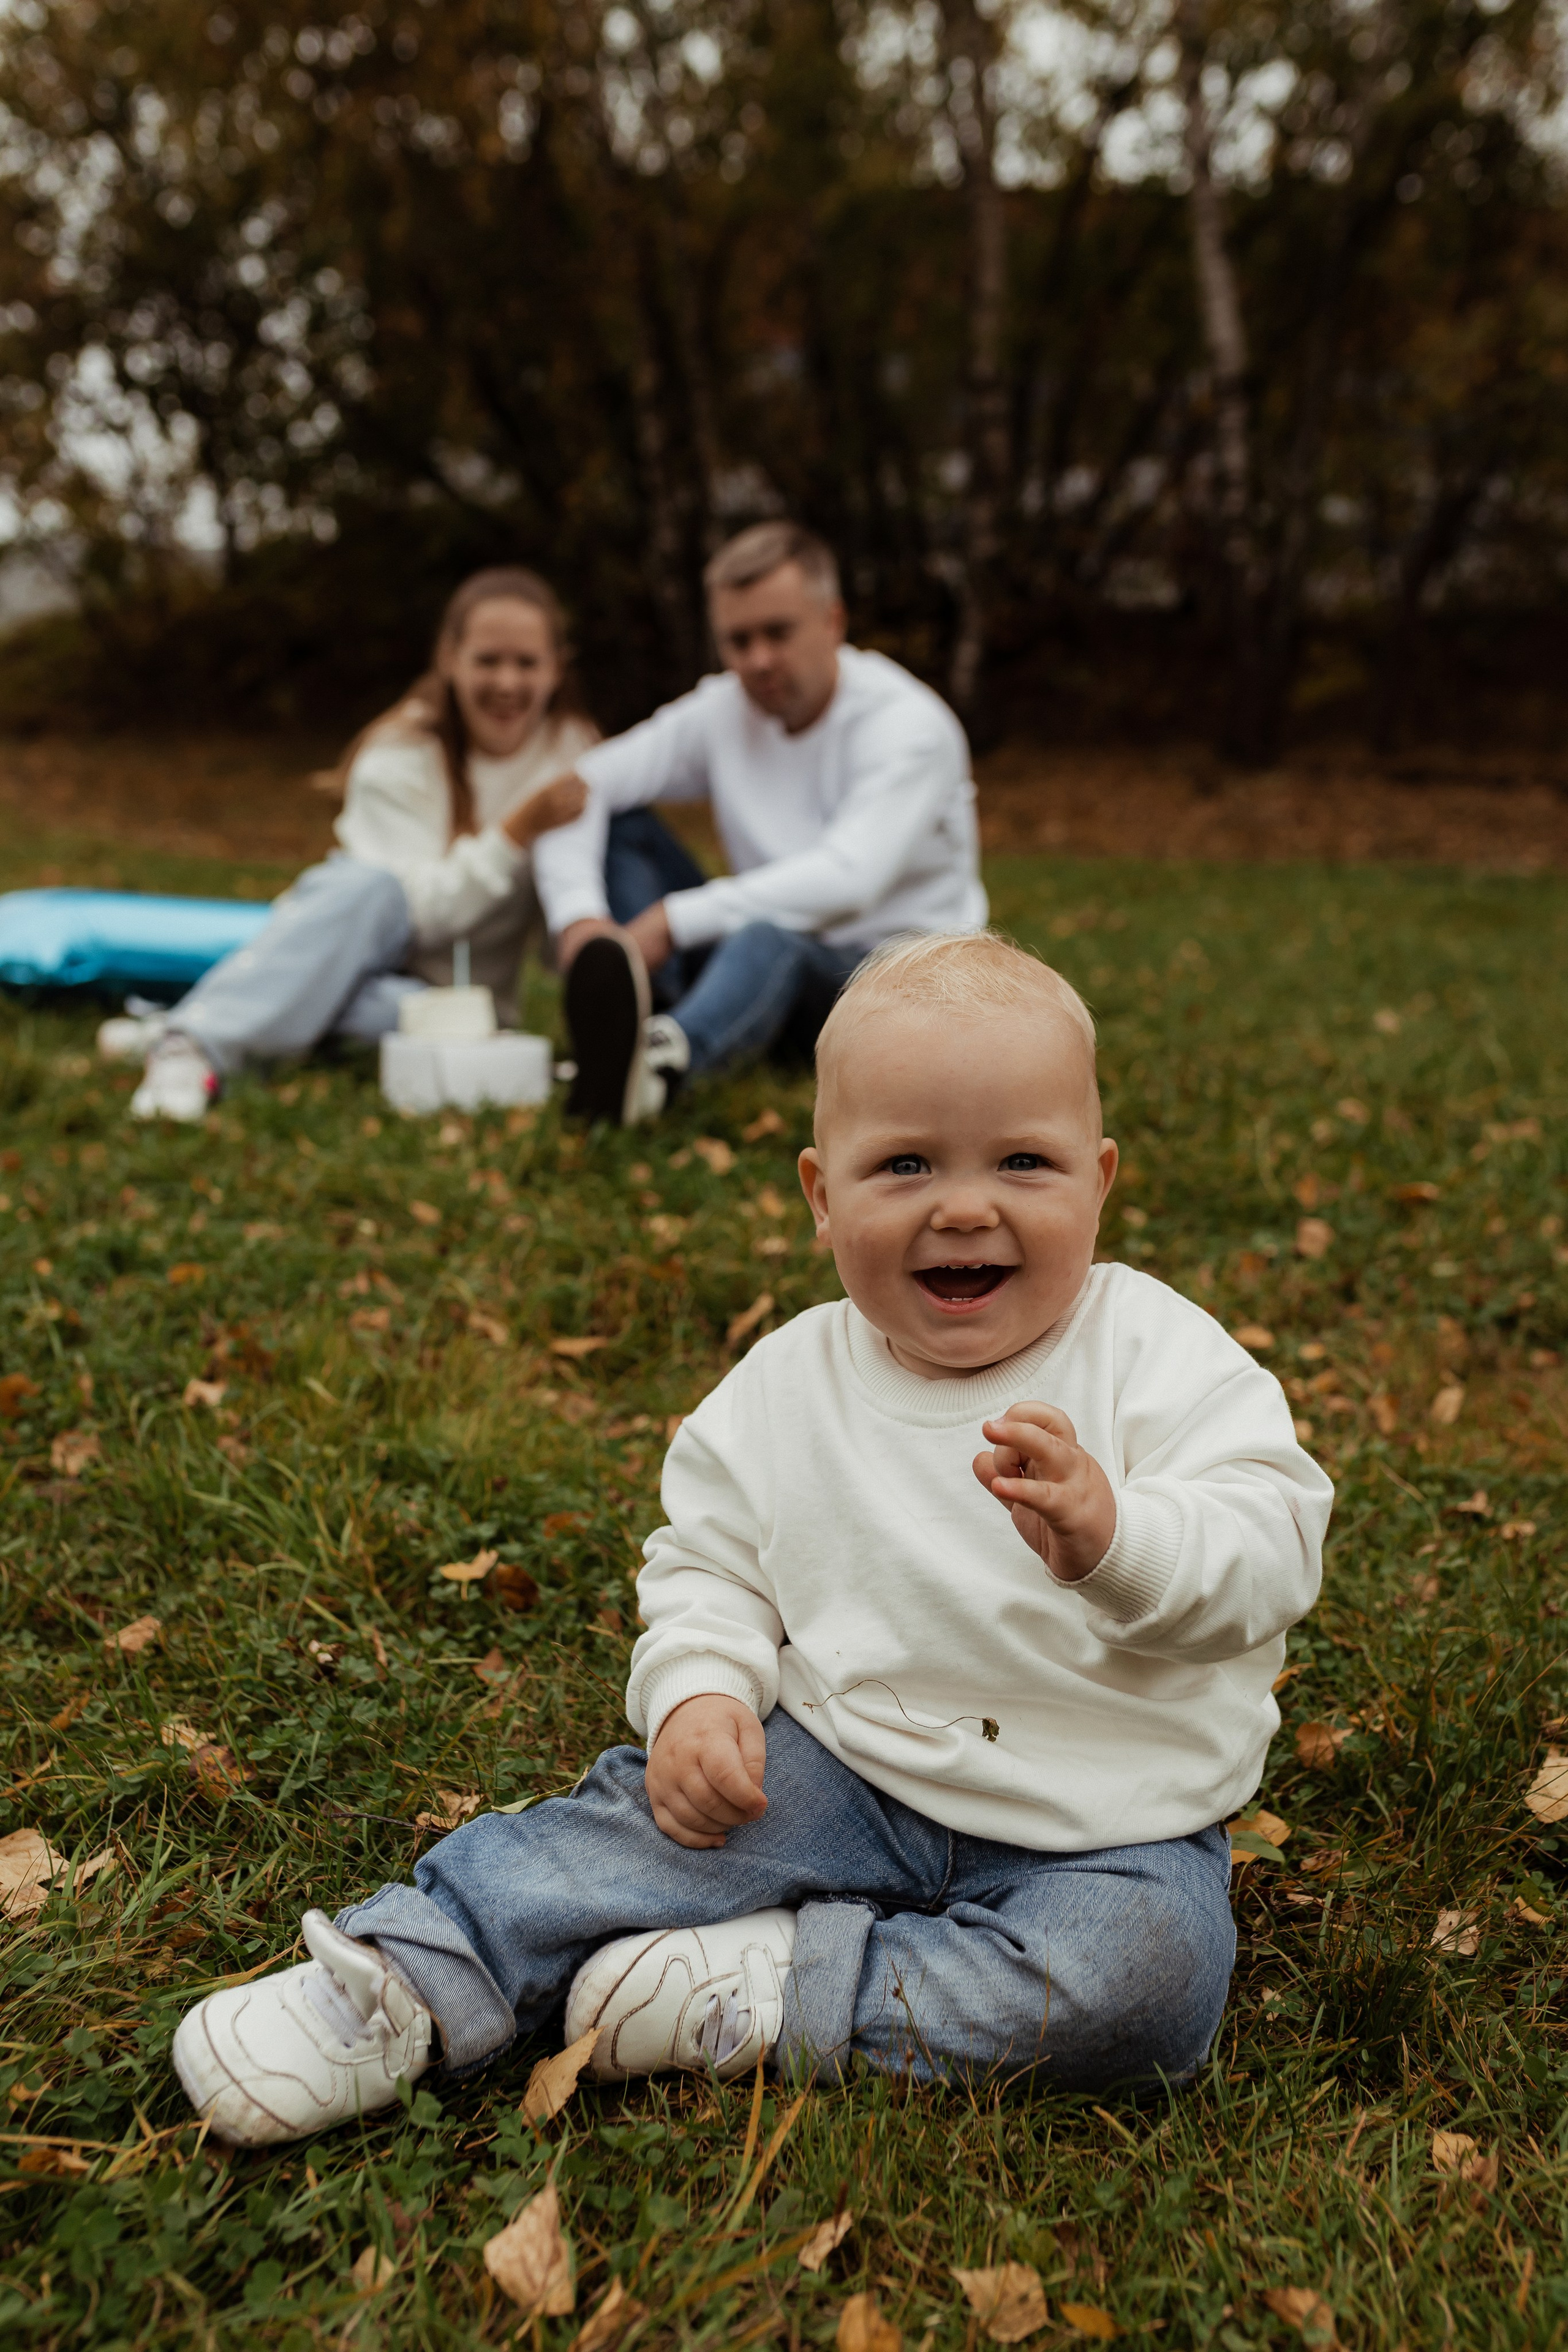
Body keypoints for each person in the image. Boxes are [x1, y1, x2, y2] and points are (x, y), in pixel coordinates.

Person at [169, 931, 1332, 2143]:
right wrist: (699, 1689)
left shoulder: (1162, 1356)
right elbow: (707, 1564)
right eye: (904, 1164)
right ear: (821, 1198)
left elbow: (1268, 1548)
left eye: (1022, 1161)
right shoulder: (784, 1387)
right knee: (631, 1836)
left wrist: (1117, 1536)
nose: (965, 1204)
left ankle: (769, 1993)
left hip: (1108, 1822)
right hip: (844, 1766)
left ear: (1098, 1180)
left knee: (1150, 1980)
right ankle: (405, 1973)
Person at [531, 519, 987, 1125]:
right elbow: (581, 787)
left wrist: (672, 921)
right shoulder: (723, 709)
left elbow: (851, 880)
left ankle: (659, 1069)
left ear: (832, 621)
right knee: (624, 825)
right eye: (738, 641)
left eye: (777, 633)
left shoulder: (908, 726)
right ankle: (637, 1025)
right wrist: (579, 920)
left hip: (894, 988)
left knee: (767, 937)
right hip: (755, 966)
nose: (757, 660)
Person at [102, 569, 594, 1122]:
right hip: (357, 955)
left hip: (444, 1011)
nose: (507, 683)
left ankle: (210, 1012)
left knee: (347, 1005)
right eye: (488, 660)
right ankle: (188, 1046)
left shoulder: (575, 759)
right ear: (449, 658)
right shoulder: (399, 755)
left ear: (557, 667)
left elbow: (567, 927)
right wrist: (514, 835)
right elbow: (419, 915)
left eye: (527, 663)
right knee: (368, 886)